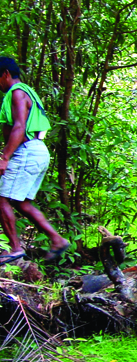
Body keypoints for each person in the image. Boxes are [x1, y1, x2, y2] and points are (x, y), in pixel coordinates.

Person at [0, 57, 69, 264]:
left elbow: (20, 127)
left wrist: (5, 157)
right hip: (37, 149)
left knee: (1, 198)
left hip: (27, 150)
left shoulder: (17, 93)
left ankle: (14, 248)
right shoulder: (26, 91)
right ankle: (56, 240)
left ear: (5, 74)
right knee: (20, 202)